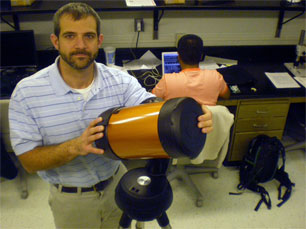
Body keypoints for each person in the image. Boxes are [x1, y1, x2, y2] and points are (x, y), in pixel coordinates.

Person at [8, 3, 213, 229]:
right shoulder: (27, 93)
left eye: (88, 36)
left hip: (118, 184)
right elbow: (28, 161)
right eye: (69, 36)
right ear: (56, 41)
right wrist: (75, 147)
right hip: (71, 200)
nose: (80, 45)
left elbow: (152, 106)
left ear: (99, 41)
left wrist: (190, 116)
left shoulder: (119, 80)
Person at [152, 34, 230, 105]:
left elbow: (151, 100)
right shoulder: (215, 76)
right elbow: (226, 95)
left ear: (178, 56)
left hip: (176, 120)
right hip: (206, 119)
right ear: (201, 56)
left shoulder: (167, 80)